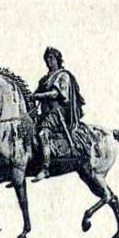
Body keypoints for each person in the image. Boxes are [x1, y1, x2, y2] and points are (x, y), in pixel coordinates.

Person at [28, 46, 89, 174]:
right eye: (46, 59)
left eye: (51, 58)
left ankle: (45, 168)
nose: (48, 61)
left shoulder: (63, 75)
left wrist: (37, 96)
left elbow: (56, 94)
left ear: (57, 59)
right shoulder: (44, 79)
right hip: (45, 113)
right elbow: (34, 94)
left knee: (42, 133)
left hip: (58, 112)